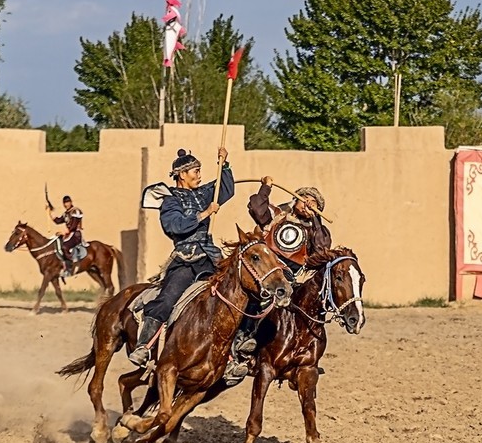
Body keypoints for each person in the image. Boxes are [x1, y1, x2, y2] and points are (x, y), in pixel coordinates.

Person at [128, 147, 235, 367]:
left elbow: (224, 190)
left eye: (199, 170)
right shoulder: (170, 200)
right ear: (182, 174)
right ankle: (144, 346)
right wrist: (204, 214)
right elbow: (174, 226)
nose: (199, 175)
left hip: (211, 257)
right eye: (195, 171)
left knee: (234, 294)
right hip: (186, 258)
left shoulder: (203, 194)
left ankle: (238, 349)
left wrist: (224, 165)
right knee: (168, 298)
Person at [235, 178, 331, 361]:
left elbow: (322, 249)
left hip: (288, 275)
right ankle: (241, 336)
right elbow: (257, 208)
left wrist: (316, 218)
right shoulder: (278, 215)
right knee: (252, 295)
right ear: (295, 199)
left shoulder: (315, 231)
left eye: (314, 203)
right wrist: (266, 187)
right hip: (262, 267)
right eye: (304, 199)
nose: (307, 204)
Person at [48, 195, 84, 279]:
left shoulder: (75, 211)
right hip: (69, 234)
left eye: (67, 202)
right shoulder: (66, 214)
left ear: (71, 202)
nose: (66, 204)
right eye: (64, 203)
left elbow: (74, 226)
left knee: (65, 246)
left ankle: (70, 266)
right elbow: (58, 221)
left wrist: (64, 232)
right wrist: (50, 213)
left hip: (75, 234)